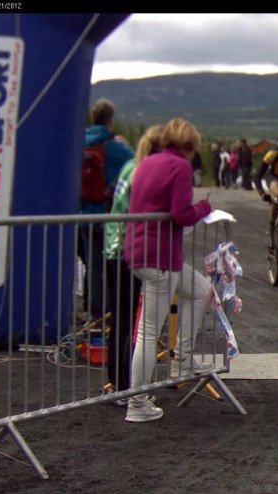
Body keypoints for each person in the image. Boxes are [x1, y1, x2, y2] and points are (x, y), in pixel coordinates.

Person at [124, 117, 213, 423]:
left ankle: (182, 360)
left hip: (142, 252)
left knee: (202, 291)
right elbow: (181, 214)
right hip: (160, 257)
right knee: (149, 332)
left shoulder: (148, 162)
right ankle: (136, 403)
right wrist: (204, 208)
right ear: (190, 146)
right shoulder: (180, 167)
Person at [103, 125, 163, 402]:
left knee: (120, 318)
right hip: (126, 250)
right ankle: (123, 385)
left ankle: (118, 381)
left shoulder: (129, 166)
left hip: (113, 247)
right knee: (127, 320)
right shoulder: (142, 172)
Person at [80, 98, 135, 322]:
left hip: (84, 213)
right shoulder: (114, 147)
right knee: (113, 265)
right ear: (111, 120)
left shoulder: (80, 142)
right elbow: (138, 163)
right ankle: (111, 313)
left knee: (92, 264)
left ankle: (94, 310)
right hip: (109, 214)